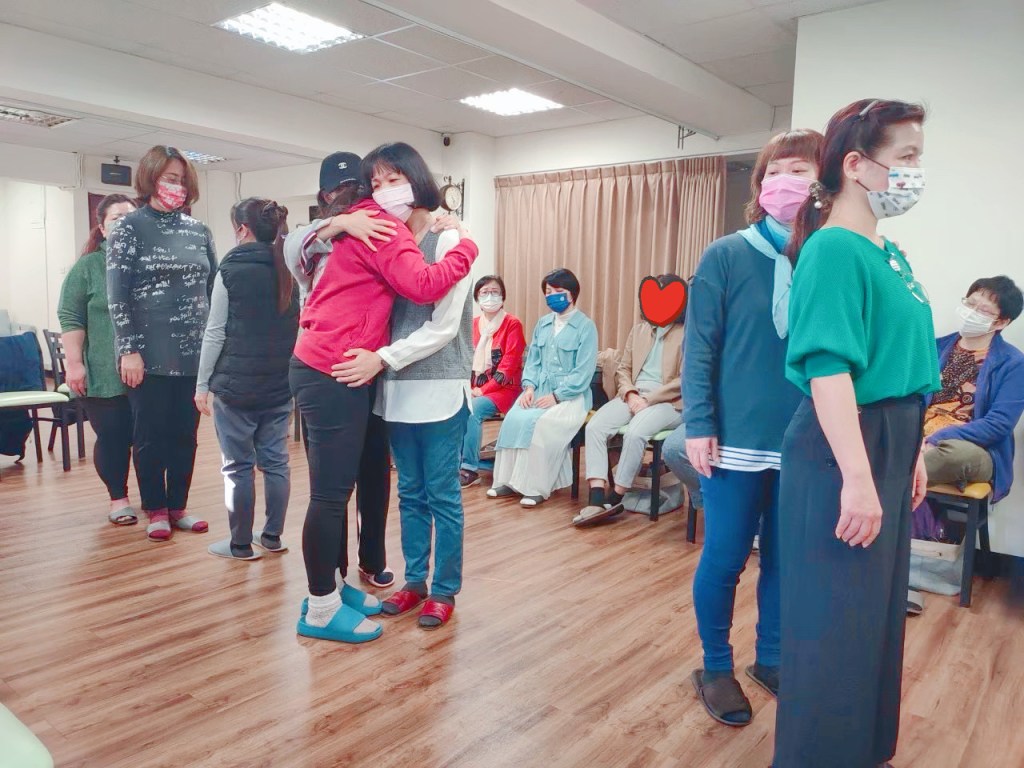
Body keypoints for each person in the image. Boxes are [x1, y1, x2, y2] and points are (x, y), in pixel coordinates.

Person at [775, 99, 938, 768]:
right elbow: (829, 370)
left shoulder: (886, 252)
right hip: (843, 449)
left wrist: (913, 452)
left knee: (872, 616)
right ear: (855, 164)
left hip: (888, 442)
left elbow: (905, 365)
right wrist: (860, 478)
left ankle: (863, 751)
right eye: (906, 157)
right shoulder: (834, 249)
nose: (916, 170)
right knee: (833, 622)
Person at [664, 130, 823, 727]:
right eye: (774, 171)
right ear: (759, 186)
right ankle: (715, 665)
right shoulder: (726, 254)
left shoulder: (826, 256)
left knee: (784, 557)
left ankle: (772, 658)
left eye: (800, 170)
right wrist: (699, 423)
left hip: (803, 437)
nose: (786, 182)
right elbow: (700, 348)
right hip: (733, 438)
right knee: (726, 555)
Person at [288, 149, 478, 644]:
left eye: (394, 179)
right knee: (405, 493)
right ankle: (409, 582)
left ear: (416, 179)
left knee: (441, 495)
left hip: (431, 385)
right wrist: (335, 224)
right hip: (379, 382)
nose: (384, 190)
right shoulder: (374, 227)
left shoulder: (446, 236)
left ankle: (443, 588)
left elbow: (442, 325)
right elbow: (295, 250)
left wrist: (383, 358)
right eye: (376, 183)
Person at [284, 151, 399, 587]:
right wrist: (340, 224)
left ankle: (372, 559)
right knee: (332, 485)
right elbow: (291, 247)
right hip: (327, 368)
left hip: (375, 369)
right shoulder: (318, 241)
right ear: (324, 196)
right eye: (340, 190)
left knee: (374, 471)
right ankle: (330, 581)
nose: (350, 195)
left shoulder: (382, 227)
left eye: (359, 188)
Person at [106, 146, 216, 542]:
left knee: (185, 434)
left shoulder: (199, 231)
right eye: (170, 178)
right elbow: (117, 295)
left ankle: (178, 506)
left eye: (182, 180)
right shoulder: (129, 228)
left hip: (193, 354)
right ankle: (155, 508)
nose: (177, 186)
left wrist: (215, 352)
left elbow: (212, 290)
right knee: (150, 435)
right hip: (146, 355)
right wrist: (128, 349)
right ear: (151, 178)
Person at [194, 198, 300, 561]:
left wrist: (202, 384)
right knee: (276, 463)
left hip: (235, 389)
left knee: (237, 467)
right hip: (279, 385)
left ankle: (239, 544)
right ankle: (272, 537)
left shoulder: (230, 268)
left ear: (242, 229)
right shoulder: (290, 267)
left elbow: (215, 332)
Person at [573, 275, 689, 526]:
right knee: (595, 426)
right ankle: (596, 497)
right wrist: (630, 394)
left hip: (669, 401)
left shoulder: (687, 334)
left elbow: (684, 379)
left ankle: (616, 497)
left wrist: (649, 399)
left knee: (636, 432)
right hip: (633, 394)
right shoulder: (639, 330)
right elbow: (623, 368)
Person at [57, 193, 138, 525]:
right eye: (117, 218)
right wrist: (74, 364)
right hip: (104, 371)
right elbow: (70, 316)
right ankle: (119, 498)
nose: (125, 224)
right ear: (102, 228)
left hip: (150, 370)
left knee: (149, 438)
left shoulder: (147, 262)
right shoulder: (89, 266)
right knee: (113, 437)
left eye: (130, 217)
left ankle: (157, 499)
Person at [488, 269, 598, 507]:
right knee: (513, 418)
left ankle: (535, 487)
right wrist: (528, 388)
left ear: (572, 294)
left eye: (559, 291)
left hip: (571, 397)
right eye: (548, 292)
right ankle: (508, 481)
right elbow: (533, 362)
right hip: (538, 390)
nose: (552, 296)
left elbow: (583, 373)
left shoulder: (585, 327)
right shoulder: (543, 324)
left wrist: (557, 396)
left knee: (539, 425)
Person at [922, 276, 1024, 500]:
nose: (971, 312)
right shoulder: (935, 347)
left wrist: (937, 438)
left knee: (952, 456)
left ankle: (891, 474)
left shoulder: (1013, 363)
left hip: (970, 447)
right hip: (920, 437)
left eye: (983, 310)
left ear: (1001, 322)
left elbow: (998, 424)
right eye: (970, 303)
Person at [459, 275, 527, 488]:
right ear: (477, 299)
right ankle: (455, 461)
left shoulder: (512, 324)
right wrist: (469, 388)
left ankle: (469, 469)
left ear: (503, 297)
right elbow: (464, 360)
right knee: (451, 407)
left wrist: (482, 390)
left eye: (495, 292)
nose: (490, 296)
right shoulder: (472, 324)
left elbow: (509, 365)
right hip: (475, 388)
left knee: (472, 411)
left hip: (504, 389)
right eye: (484, 292)